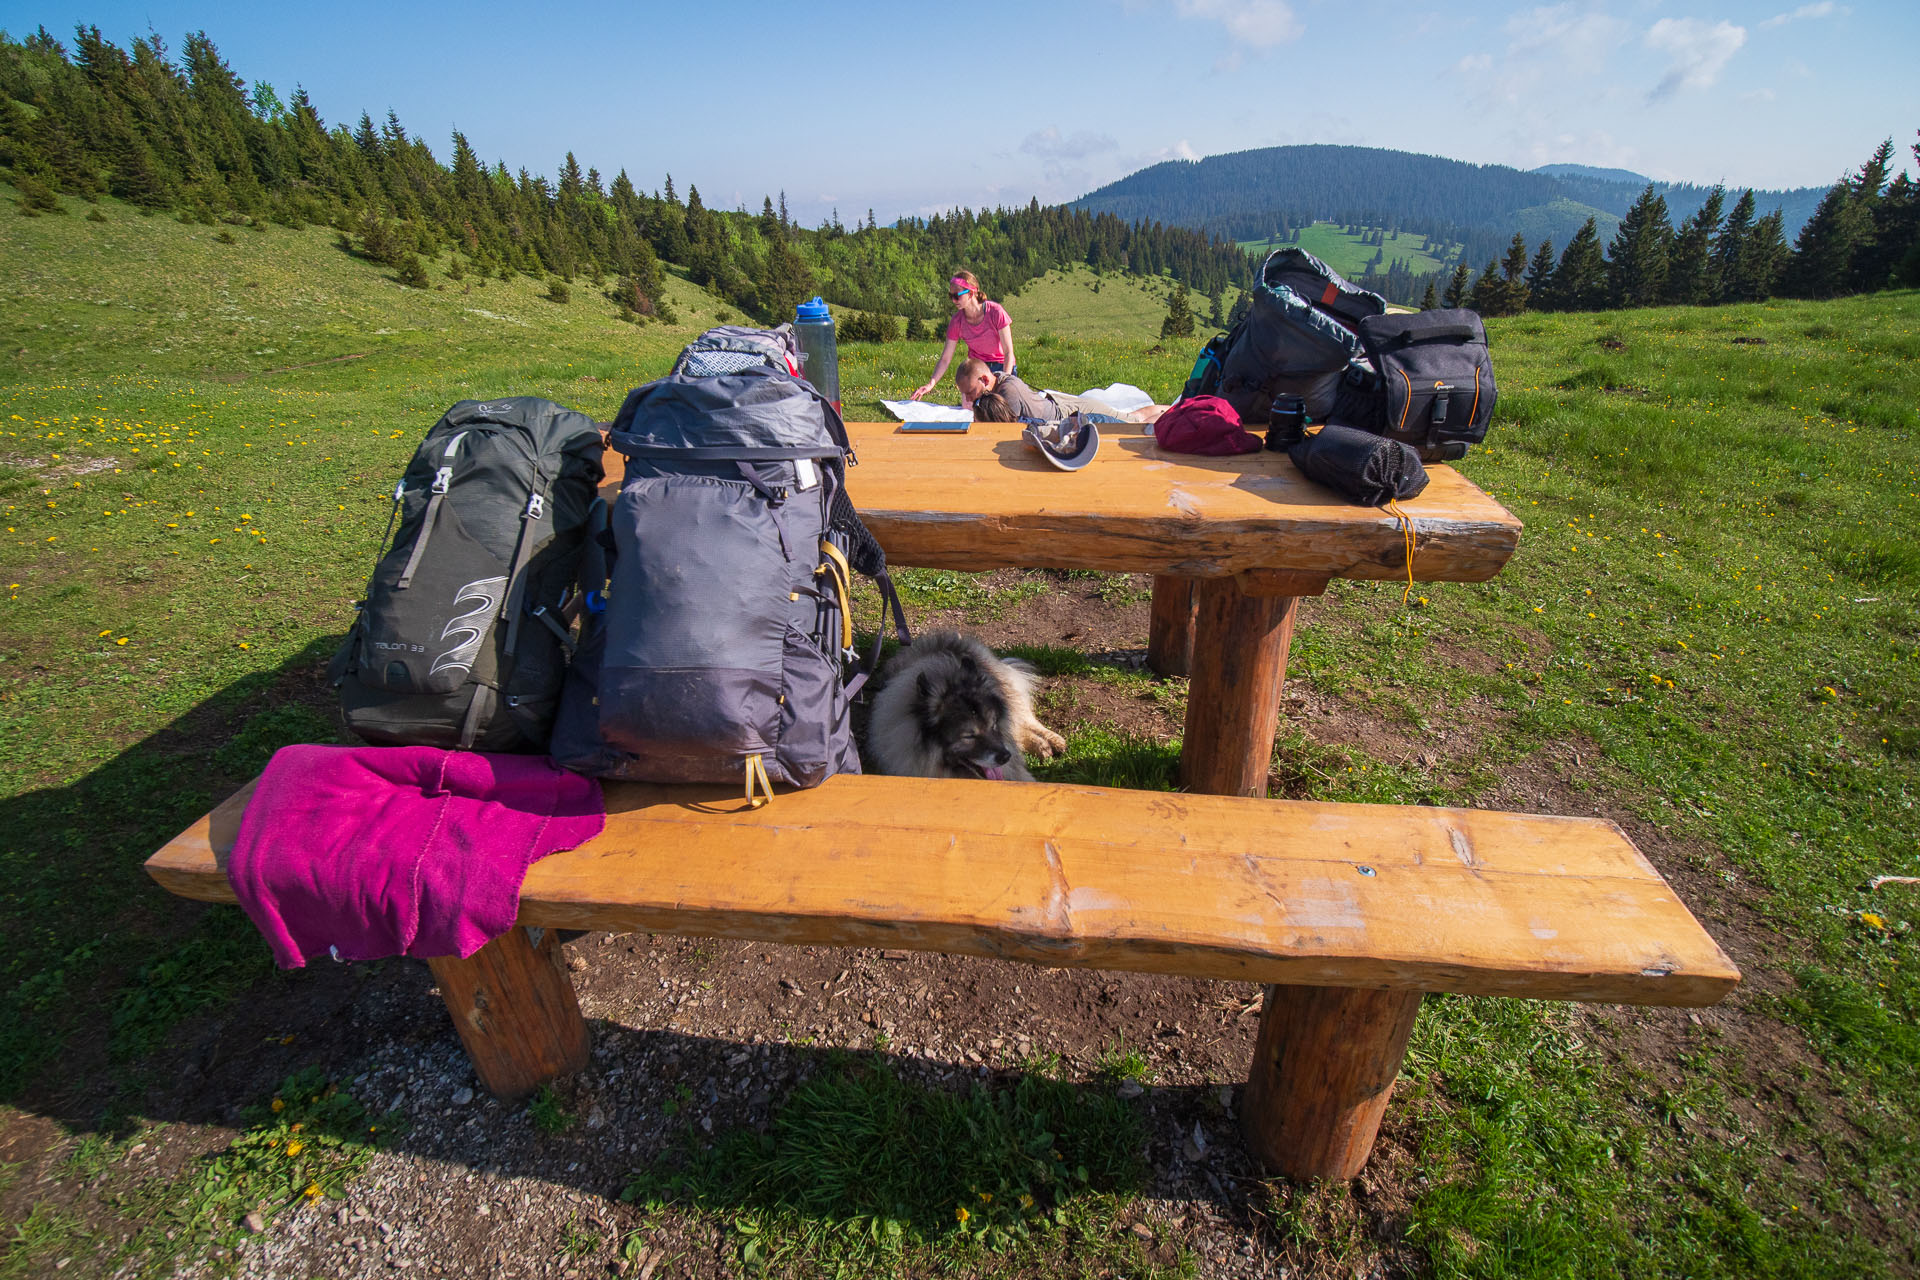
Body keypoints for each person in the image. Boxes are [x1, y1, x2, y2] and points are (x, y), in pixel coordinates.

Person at [911, 271, 1016, 401]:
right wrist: (931, 384)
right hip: (976, 369)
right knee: (971, 408)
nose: (953, 300)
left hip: (1002, 367)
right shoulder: (957, 322)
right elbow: (945, 359)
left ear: (971, 293)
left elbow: (1008, 353)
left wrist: (1004, 380)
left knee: (1004, 408)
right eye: (951, 296)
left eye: (956, 296)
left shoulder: (996, 312)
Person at [955, 359, 1123, 423]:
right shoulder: (997, 378)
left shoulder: (1008, 392)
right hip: (1056, 403)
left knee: (1132, 422)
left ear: (984, 380)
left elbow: (1003, 432)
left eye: (970, 392)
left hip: (1067, 413)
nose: (968, 399)